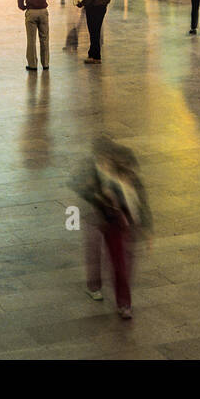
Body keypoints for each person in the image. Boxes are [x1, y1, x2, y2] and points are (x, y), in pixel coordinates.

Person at [76, 136, 151, 320]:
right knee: (98, 253)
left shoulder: (127, 176)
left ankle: (123, 300)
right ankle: (99, 288)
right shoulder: (93, 170)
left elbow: (141, 202)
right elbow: (81, 186)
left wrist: (145, 227)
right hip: (102, 219)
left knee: (122, 263)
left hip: (121, 223)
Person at [17, 0, 55, 71]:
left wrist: (26, 7)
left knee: (31, 40)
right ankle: (45, 64)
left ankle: (32, 65)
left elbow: (20, 5)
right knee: (44, 39)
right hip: (43, 13)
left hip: (31, 13)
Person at [77, 0, 114, 64]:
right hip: (102, 7)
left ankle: (95, 56)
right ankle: (92, 53)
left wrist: (81, 4)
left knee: (93, 32)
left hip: (92, 9)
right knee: (97, 30)